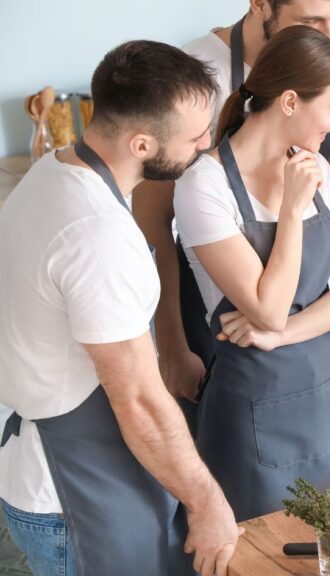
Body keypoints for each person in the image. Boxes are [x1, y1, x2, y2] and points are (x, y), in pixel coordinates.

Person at [0, 40, 241, 576]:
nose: (207, 143)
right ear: (140, 144)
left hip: (49, 474)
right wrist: (208, 504)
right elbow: (137, 401)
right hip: (72, 496)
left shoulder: (51, 172)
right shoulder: (96, 234)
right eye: (195, 136)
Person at [132, 0, 330, 423]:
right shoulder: (192, 76)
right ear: (260, 5)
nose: (329, 35)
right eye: (312, 20)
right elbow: (152, 224)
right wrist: (171, 347)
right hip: (216, 325)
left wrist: (311, 325)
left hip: (316, 359)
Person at [173, 26, 330, 522]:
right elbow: (269, 307)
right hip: (252, 419)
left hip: (329, 404)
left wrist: (279, 338)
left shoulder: (311, 165)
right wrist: (292, 209)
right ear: (288, 101)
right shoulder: (204, 184)